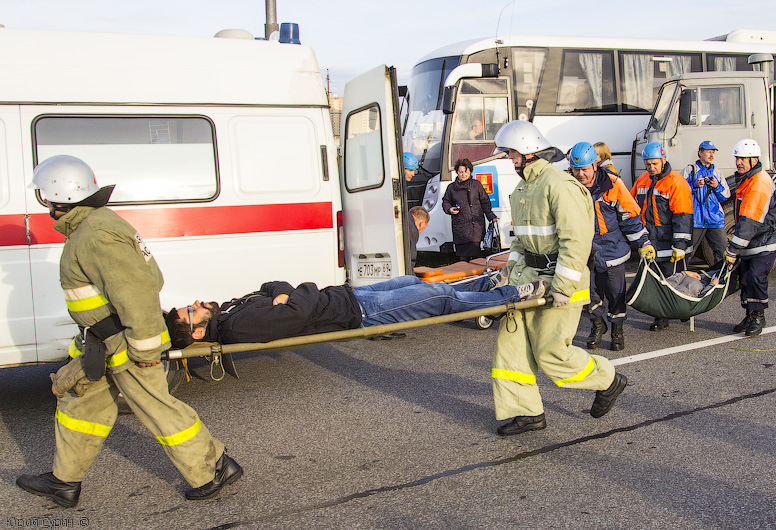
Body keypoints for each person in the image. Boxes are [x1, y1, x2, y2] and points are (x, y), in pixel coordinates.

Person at [17, 155, 241, 508]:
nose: (42, 200)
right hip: (105, 343)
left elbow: (137, 292)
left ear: (58, 196)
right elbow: (152, 278)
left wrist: (145, 351)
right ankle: (64, 481)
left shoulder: (96, 234)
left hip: (127, 344)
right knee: (80, 406)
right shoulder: (94, 226)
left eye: (44, 194)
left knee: (161, 411)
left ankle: (213, 467)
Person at [489, 120, 627, 437]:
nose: (508, 158)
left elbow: (575, 242)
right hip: (528, 280)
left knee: (551, 353)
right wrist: (507, 274)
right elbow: (522, 242)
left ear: (527, 150)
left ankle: (607, 379)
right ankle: (527, 413)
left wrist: (562, 288)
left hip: (560, 283)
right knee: (510, 350)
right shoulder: (523, 189)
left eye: (511, 152)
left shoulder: (560, 186)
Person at [164, 275, 543, 348]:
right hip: (360, 311)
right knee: (440, 301)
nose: (196, 303)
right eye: (190, 312)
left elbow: (271, 285)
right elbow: (297, 310)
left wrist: (286, 293)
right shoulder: (237, 326)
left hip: (350, 295)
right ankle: (514, 296)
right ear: (197, 332)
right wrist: (297, 292)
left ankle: (484, 288)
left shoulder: (228, 313)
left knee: (426, 286)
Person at [568, 142, 654, 351]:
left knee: (616, 294)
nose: (580, 174)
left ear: (595, 165)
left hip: (612, 249)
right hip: (584, 253)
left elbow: (629, 215)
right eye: (576, 170)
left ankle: (617, 330)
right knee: (587, 295)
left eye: (584, 170)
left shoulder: (613, 184)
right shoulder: (568, 187)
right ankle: (598, 326)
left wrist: (643, 243)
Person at [725, 139, 776, 336]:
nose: (739, 162)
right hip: (755, 238)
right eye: (737, 158)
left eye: (743, 158)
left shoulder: (759, 182)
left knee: (755, 276)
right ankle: (750, 314)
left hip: (769, 239)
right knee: (745, 277)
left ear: (754, 160)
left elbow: (750, 221)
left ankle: (758, 317)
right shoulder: (747, 178)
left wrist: (732, 249)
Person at [631, 142, 694, 332]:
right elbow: (633, 206)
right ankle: (661, 316)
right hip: (652, 241)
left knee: (675, 279)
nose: (651, 168)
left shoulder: (676, 182)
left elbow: (683, 216)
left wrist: (680, 245)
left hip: (671, 242)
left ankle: (683, 310)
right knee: (657, 280)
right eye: (648, 164)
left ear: (664, 160)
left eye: (655, 164)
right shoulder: (643, 179)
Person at [682, 140, 731, 265]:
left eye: (713, 152)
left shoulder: (717, 173)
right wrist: (694, 185)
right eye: (709, 152)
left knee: (722, 253)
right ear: (700, 153)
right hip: (695, 220)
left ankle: (721, 280)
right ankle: (679, 279)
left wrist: (717, 186)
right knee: (687, 253)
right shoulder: (690, 170)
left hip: (715, 220)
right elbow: (680, 192)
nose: (711, 155)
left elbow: (726, 196)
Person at [442, 158, 498, 261]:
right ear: (457, 173)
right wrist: (450, 209)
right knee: (462, 259)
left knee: (477, 257)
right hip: (460, 228)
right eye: (461, 172)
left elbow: (485, 201)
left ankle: (478, 276)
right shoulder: (451, 187)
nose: (463, 174)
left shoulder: (476, 185)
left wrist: (491, 216)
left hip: (475, 226)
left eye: (466, 172)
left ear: (470, 172)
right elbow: (445, 202)